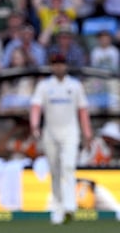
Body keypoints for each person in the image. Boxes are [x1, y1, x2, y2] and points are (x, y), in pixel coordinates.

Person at [30, 52, 93, 224]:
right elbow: (36, 107)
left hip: (70, 132)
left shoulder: (75, 85)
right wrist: (35, 126)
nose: (58, 67)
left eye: (61, 63)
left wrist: (87, 134)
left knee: (68, 166)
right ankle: (57, 207)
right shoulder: (44, 86)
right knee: (55, 171)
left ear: (66, 65)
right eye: (55, 64)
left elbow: (83, 111)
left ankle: (70, 207)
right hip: (50, 132)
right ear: (51, 66)